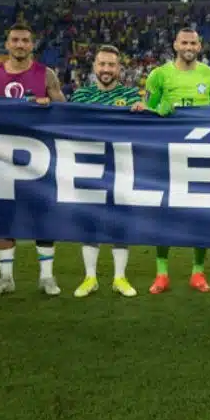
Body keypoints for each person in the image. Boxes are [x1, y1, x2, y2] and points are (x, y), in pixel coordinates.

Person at [134, 27, 210, 294]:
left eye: (193, 43)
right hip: (167, 154)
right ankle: (162, 274)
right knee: (164, 212)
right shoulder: (158, 75)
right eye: (184, 42)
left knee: (200, 212)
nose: (188, 47)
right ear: (175, 45)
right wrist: (155, 109)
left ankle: (198, 272)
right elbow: (148, 111)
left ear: (199, 46)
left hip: (201, 153)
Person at [0, 23, 66, 298]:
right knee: (4, 217)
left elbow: (65, 112)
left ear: (32, 45)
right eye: (15, 40)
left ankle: (47, 277)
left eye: (25, 40)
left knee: (42, 216)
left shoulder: (46, 74)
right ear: (7, 44)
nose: (20, 45)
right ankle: (6, 278)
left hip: (37, 156)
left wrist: (50, 105)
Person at [68, 45, 141, 299]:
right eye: (102, 64)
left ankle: (119, 277)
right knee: (90, 222)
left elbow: (144, 130)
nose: (106, 69)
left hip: (122, 167)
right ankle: (90, 277)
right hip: (88, 166)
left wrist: (142, 112)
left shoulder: (131, 96)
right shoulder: (80, 96)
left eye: (111, 65)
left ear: (119, 68)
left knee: (119, 222)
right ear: (94, 67)